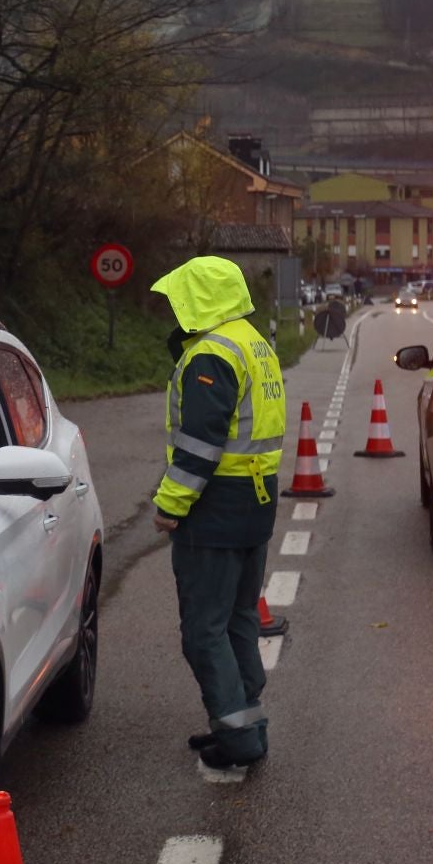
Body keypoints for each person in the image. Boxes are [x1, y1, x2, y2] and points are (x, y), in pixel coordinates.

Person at [149, 255, 287, 773]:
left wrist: (169, 505)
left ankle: (238, 736)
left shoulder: (211, 354)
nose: (173, 309)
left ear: (198, 298)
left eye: (178, 298)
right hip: (255, 502)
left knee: (204, 630)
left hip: (215, 509)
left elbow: (199, 445)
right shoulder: (254, 343)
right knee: (238, 620)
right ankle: (245, 726)